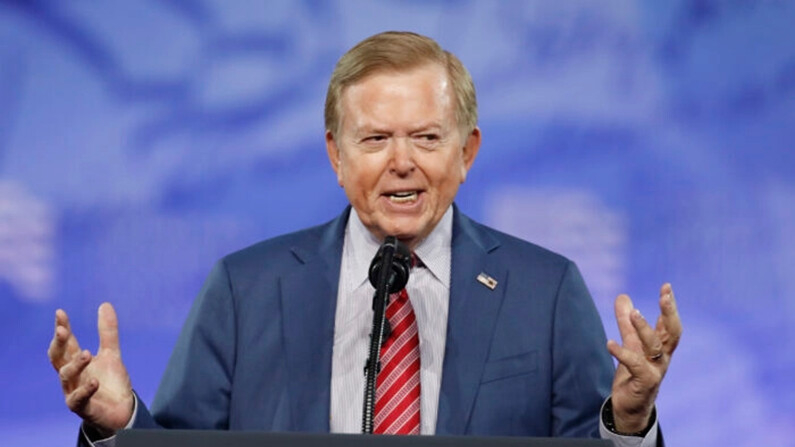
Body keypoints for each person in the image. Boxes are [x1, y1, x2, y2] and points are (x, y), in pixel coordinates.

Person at [48, 31, 681, 447]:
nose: (400, 162)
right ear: (336, 155)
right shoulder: (245, 289)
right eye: (375, 139)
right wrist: (120, 426)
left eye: (427, 138)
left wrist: (627, 422)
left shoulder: (544, 289)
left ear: (468, 152)